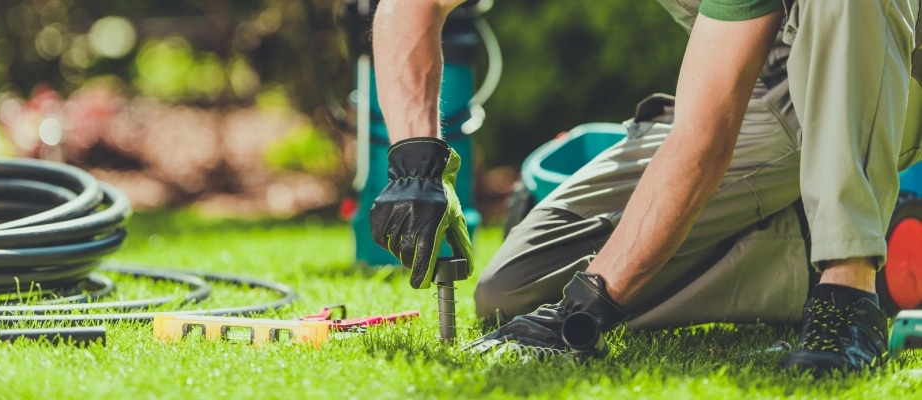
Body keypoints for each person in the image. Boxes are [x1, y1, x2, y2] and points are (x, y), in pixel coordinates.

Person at [369, 0, 922, 374]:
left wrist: (589, 306)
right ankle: (844, 235)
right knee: (513, 291)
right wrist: (415, 161)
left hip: (880, 79)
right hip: (763, 90)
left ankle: (848, 284)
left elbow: (706, 136)